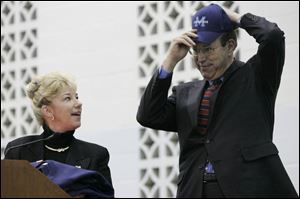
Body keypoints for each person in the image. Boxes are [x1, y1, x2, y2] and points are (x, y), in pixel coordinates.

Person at [137, 3, 298, 198]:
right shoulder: (185, 93)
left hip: (247, 188)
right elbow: (148, 116)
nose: (201, 58)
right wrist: (170, 60)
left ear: (230, 46)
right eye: (196, 50)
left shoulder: (256, 77)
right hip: (196, 190)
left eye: (208, 49)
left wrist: (234, 18)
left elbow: (272, 36)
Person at [4, 72, 114, 196]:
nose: (78, 103)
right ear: (48, 111)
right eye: (68, 98)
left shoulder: (96, 155)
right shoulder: (18, 151)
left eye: (76, 97)